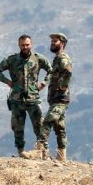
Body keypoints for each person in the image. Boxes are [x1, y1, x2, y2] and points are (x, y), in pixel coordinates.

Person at [0, 34, 52, 159]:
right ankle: (21, 151)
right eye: (23, 45)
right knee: (17, 127)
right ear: (19, 45)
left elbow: (52, 71)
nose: (25, 47)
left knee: (40, 126)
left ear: (31, 44)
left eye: (27, 45)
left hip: (33, 98)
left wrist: (44, 83)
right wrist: (7, 81)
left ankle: (43, 152)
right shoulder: (12, 59)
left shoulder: (38, 59)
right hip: (16, 100)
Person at [40, 32, 73, 161]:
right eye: (52, 41)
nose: (52, 43)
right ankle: (61, 157)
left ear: (62, 43)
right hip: (56, 98)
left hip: (60, 98)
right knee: (60, 128)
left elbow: (68, 71)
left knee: (47, 121)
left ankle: (39, 150)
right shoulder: (57, 58)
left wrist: (62, 87)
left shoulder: (62, 57)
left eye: (55, 41)